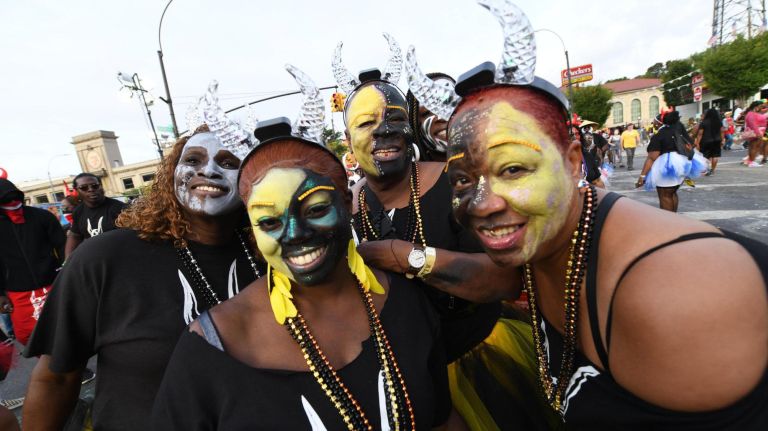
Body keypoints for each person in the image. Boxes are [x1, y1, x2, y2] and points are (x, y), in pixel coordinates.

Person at [409, 2, 768, 428]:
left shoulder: (672, 294)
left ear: (575, 159)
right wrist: (401, 257)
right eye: (463, 181)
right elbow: (490, 279)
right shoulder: (544, 249)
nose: (484, 203)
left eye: (513, 169)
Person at [152, 78, 454, 428]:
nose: (294, 235)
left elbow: (443, 419)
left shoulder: (404, 302)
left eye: (314, 210)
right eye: (269, 221)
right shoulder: (212, 346)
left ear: (346, 202)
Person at [338, 37, 559, 429]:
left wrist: (409, 257)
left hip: (484, 356)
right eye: (366, 123)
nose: (384, 131)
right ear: (348, 141)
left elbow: (506, 279)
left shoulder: (458, 184)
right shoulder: (346, 208)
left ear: (410, 126)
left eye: (394, 118)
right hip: (411, 379)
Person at [22, 83, 263, 431]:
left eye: (229, 163)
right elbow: (55, 380)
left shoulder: (271, 256)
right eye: (193, 160)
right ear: (171, 176)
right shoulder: (106, 258)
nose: (207, 171)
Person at [0, 179, 65, 346]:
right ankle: (54, 366)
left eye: (16, 198)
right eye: (6, 200)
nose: (13, 203)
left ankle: (70, 366)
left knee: (64, 327)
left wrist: (64, 271)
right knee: (27, 336)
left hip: (53, 283)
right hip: (17, 292)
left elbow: (62, 245)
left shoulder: (42, 216)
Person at [636, 111, 706, 212]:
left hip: (668, 168)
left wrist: (642, 177)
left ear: (660, 122)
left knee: (665, 195)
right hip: (682, 165)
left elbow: (651, 158)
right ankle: (673, 218)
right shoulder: (678, 129)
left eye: (654, 122)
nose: (653, 124)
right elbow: (691, 143)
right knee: (672, 193)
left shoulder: (661, 134)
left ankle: (668, 222)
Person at [64, 173, 126, 258]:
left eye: (95, 186)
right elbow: (75, 235)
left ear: (101, 186)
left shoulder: (120, 208)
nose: (91, 190)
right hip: (93, 260)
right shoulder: (78, 211)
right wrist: (68, 259)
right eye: (84, 188)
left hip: (118, 257)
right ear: (76, 190)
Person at [406, 72, 455, 162]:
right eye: (428, 112)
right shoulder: (408, 175)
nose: (442, 117)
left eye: (450, 107)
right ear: (414, 126)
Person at [695, 108, 724, 176]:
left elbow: (700, 134)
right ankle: (712, 170)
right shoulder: (719, 122)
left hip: (706, 141)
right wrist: (722, 140)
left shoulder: (704, 122)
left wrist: (697, 142)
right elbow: (722, 131)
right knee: (715, 156)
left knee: (705, 156)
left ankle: (705, 169)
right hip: (717, 140)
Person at [744, 100, 767, 167]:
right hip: (756, 132)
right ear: (756, 106)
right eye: (760, 106)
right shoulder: (751, 114)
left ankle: (750, 161)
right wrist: (758, 133)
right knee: (754, 147)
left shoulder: (752, 113)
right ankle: (752, 162)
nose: (761, 108)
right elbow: (753, 124)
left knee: (753, 147)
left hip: (757, 132)